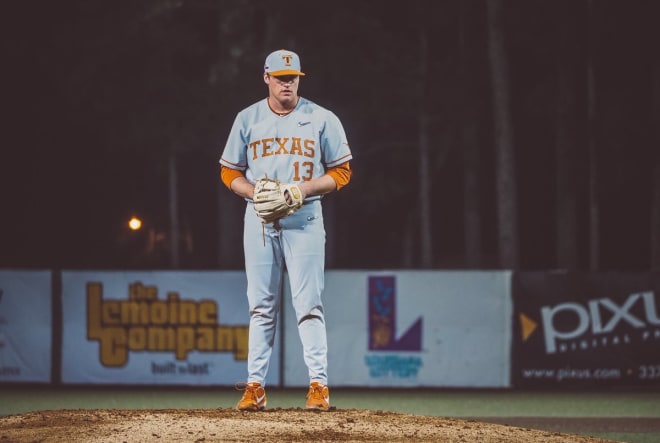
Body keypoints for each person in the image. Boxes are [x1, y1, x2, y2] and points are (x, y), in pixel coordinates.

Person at [219, 49, 353, 411]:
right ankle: (255, 387)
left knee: (309, 305)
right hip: (260, 220)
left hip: (305, 218)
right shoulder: (247, 119)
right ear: (266, 78)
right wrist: (254, 193)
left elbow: (342, 171)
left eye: (292, 77)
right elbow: (229, 171)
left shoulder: (322, 118)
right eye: (280, 77)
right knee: (260, 307)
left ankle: (318, 387)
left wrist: (302, 189)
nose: (287, 83)